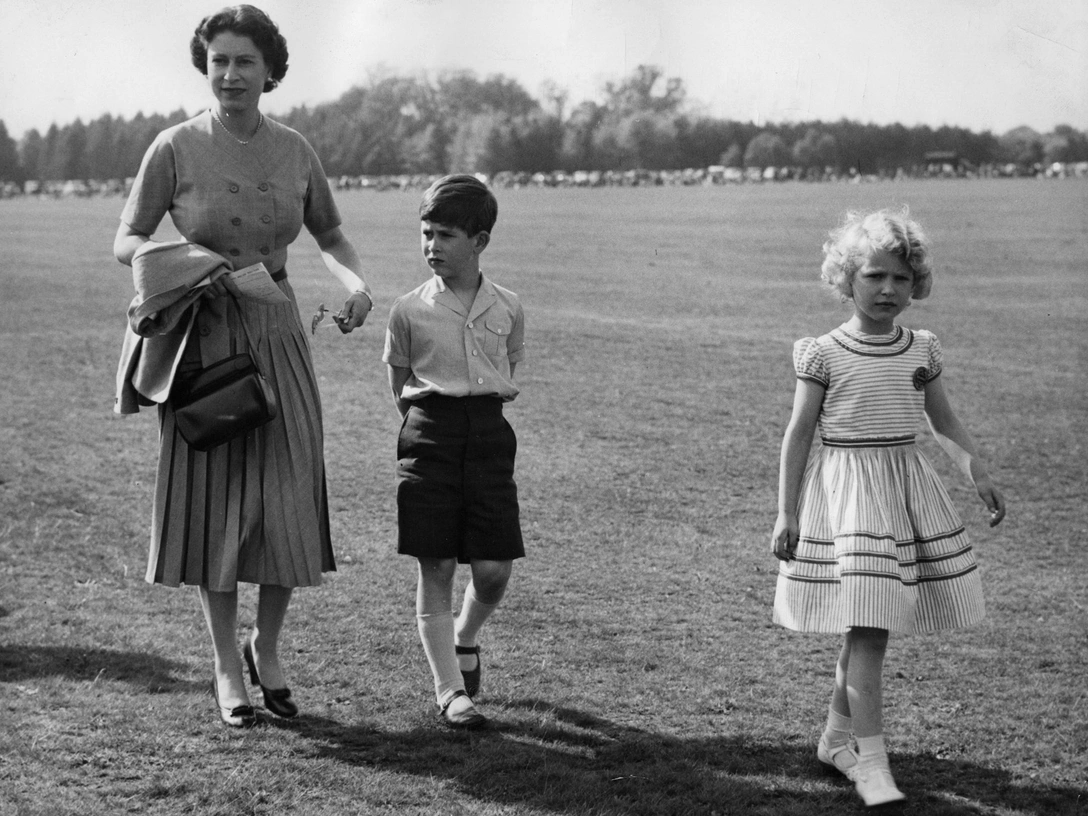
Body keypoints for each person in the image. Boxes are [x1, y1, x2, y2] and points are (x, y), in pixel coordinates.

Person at [113, 5, 373, 728]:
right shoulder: (174, 145)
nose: (230, 74)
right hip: (203, 335)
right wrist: (185, 264)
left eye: (244, 62)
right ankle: (227, 664)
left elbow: (331, 234)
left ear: (270, 71)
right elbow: (127, 238)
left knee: (289, 492)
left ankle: (268, 645)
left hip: (277, 329)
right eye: (219, 60)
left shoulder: (294, 149)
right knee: (215, 500)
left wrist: (357, 286)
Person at [770, 208, 1006, 807]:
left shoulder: (919, 348)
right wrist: (787, 513)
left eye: (901, 278)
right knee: (870, 630)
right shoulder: (823, 352)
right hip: (847, 500)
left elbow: (942, 419)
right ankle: (872, 766)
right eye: (874, 276)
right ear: (846, 278)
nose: (888, 289)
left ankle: (835, 741)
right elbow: (799, 435)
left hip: (903, 494)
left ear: (916, 284)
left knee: (866, 627)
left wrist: (976, 470)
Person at [383, 175, 526, 729]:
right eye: (426, 233)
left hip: (489, 437)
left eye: (445, 235)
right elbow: (399, 383)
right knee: (437, 562)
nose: (432, 246)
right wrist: (430, 424)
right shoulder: (407, 310)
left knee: (492, 571)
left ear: (480, 241)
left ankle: (465, 636)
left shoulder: (509, 306)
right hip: (429, 437)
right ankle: (450, 691)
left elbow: (508, 365)